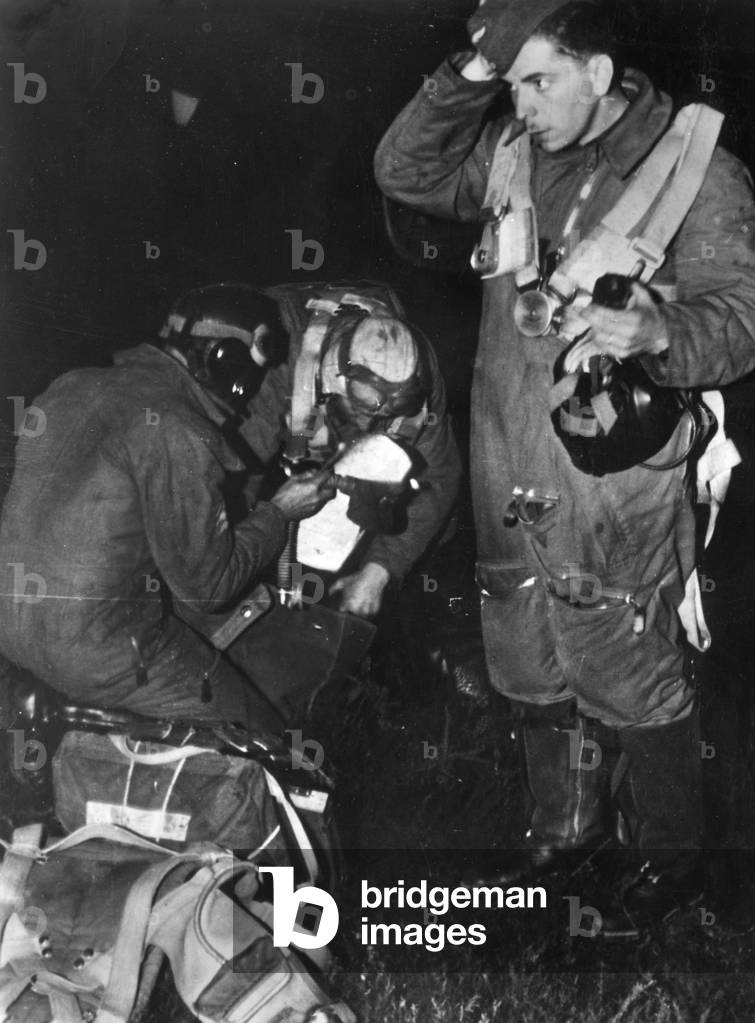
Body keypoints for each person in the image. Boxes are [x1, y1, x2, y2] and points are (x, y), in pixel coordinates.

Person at [374, 0, 755, 929]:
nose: (523, 102)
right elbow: (404, 168)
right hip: (507, 444)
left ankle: (670, 852)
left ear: (599, 69)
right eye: (510, 86)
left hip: (613, 466)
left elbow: (741, 320)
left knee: (626, 655)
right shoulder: (510, 152)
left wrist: (664, 329)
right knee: (523, 647)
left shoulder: (694, 169)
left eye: (538, 80)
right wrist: (473, 71)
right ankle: (565, 824)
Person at [0, 283, 335, 736]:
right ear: (225, 362)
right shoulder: (178, 430)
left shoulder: (71, 384)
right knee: (262, 735)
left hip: (11, 625)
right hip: (97, 653)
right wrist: (281, 511)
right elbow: (208, 589)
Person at [238, 281, 462, 620]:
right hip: (277, 424)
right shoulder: (278, 349)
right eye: (364, 404)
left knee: (418, 524)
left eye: (386, 410)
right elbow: (237, 471)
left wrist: (379, 571)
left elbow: (439, 476)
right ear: (335, 376)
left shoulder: (418, 372)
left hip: (331, 439)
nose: (371, 418)